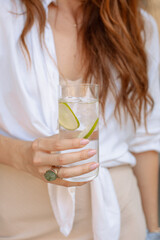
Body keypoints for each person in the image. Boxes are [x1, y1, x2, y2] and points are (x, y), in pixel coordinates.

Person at [0, 0, 160, 239]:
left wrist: (152, 230)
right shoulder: (6, 14)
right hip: (22, 222)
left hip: (122, 217)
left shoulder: (137, 25)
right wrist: (21, 154)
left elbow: (146, 139)